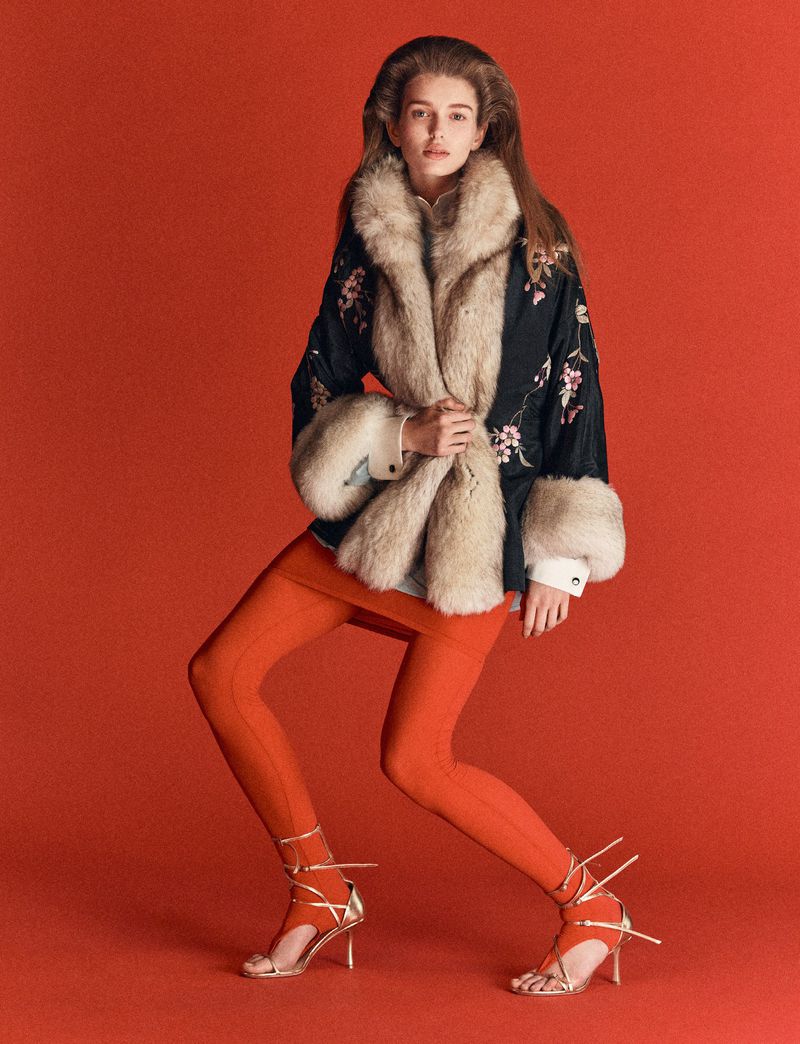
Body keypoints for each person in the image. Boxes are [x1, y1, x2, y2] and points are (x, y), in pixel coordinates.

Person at [188, 35, 661, 996]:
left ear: (485, 130)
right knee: (222, 672)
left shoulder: (539, 242)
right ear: (392, 127)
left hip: (477, 535)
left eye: (456, 116)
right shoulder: (369, 230)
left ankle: (592, 908)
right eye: (420, 114)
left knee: (414, 761)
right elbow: (320, 373)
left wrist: (560, 561)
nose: (438, 132)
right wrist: (398, 434)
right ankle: (319, 891)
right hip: (379, 516)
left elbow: (576, 391)